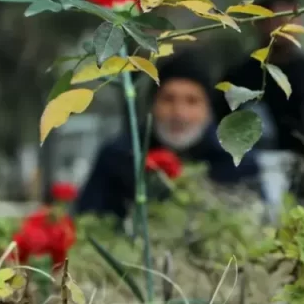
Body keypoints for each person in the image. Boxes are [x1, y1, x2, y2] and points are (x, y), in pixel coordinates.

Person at [74, 50, 260, 220]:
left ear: (208, 109)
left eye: (192, 101)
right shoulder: (118, 157)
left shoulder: (235, 162)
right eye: (168, 99)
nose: (179, 113)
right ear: (153, 105)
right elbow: (89, 220)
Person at [218, 0, 304, 196]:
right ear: (259, 23)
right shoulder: (238, 76)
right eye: (276, 19)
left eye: (292, 17)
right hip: (252, 178)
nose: (284, 26)